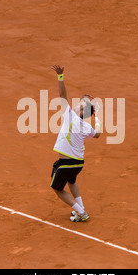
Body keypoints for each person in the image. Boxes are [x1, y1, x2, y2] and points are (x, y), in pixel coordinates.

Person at [50, 65, 101, 222]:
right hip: (78, 163)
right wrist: (97, 119)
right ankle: (81, 208)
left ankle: (81, 212)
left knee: (57, 188)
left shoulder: (71, 116)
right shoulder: (87, 127)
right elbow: (98, 134)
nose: (77, 104)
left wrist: (60, 76)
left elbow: (62, 94)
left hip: (68, 163)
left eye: (79, 104)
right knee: (72, 182)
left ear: (80, 112)